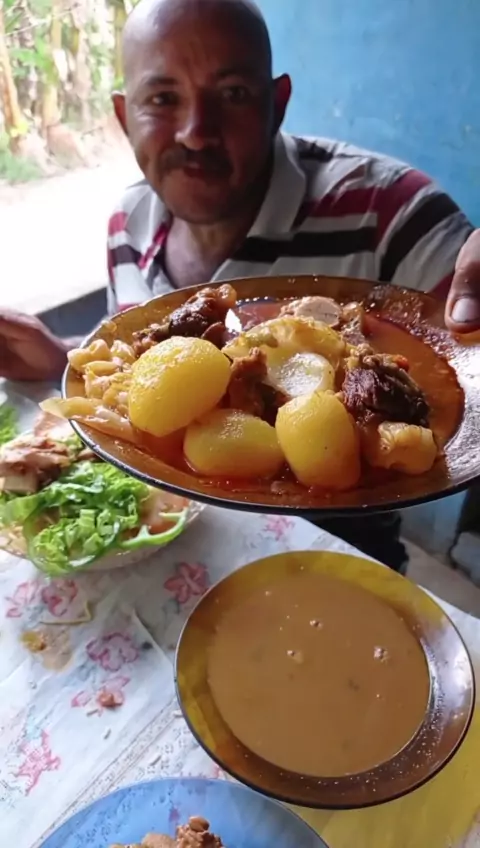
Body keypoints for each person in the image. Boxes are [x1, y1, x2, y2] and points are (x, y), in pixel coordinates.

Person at [1, 0, 479, 570]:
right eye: (163, 99)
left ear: (277, 103)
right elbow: (143, 374)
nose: (196, 133)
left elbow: (468, 337)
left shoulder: (393, 211)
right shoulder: (128, 220)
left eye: (232, 93)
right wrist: (60, 358)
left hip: (347, 558)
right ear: (125, 116)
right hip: (185, 547)